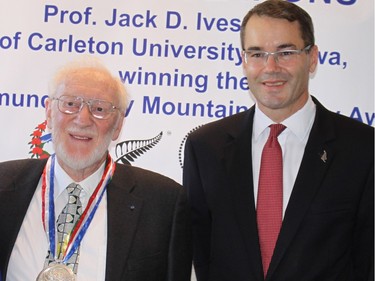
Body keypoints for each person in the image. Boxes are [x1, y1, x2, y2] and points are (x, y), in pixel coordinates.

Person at [183, 1, 374, 281]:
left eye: (285, 52)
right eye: (257, 53)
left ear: (312, 58)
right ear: (244, 60)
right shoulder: (204, 147)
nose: (270, 67)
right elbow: (200, 254)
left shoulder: (362, 149)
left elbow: (367, 260)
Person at [0, 57, 192, 281]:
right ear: (49, 113)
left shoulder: (163, 204)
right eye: (70, 104)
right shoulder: (3, 186)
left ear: (118, 125)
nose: (82, 119)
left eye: (99, 109)